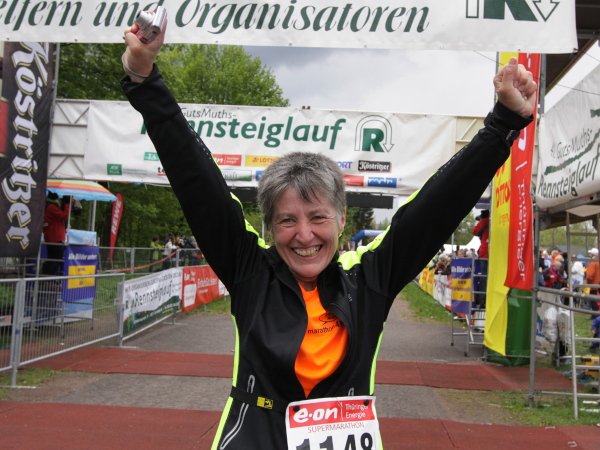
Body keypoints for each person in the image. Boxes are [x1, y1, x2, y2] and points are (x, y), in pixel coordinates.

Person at [121, 16, 536, 449]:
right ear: (270, 227)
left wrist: (502, 123)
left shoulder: (369, 276)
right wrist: (145, 80)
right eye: (287, 220)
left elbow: (437, 207)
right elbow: (197, 181)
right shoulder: (250, 270)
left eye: (317, 217)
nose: (304, 235)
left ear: (341, 219)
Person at [42, 192, 71, 276]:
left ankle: (45, 277)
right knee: (57, 259)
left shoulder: (47, 206)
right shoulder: (51, 207)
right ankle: (46, 277)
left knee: (52, 259)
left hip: (51, 236)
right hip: (55, 237)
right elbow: (64, 215)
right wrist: (67, 204)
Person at [472, 209, 490, 307]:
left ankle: (482, 300)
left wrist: (479, 221)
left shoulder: (484, 221)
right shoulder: (493, 221)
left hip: (486, 252)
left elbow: (474, 232)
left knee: (484, 276)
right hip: (493, 252)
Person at [586, 248, 600, 319]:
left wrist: (589, 282)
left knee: (593, 300)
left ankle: (595, 315)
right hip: (598, 283)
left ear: (592, 254)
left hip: (594, 284)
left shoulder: (593, 262)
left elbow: (589, 275)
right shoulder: (598, 261)